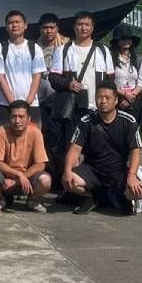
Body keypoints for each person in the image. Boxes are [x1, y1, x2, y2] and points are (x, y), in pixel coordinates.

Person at [48, 11, 113, 186]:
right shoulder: (64, 50)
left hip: (97, 108)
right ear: (74, 27)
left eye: (87, 24)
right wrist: (68, 84)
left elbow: (110, 81)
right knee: (71, 148)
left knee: (95, 148)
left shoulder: (103, 51)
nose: (83, 28)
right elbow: (53, 78)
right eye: (79, 24)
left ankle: (91, 186)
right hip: (73, 110)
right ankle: (69, 185)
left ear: (92, 28)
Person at [64, 84, 142, 215]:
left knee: (140, 191)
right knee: (68, 180)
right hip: (93, 170)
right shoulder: (86, 121)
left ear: (116, 101)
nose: (103, 101)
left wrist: (131, 177)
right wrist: (67, 171)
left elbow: (135, 152)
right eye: (99, 97)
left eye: (107, 98)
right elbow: (74, 150)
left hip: (118, 172)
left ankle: (121, 198)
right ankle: (92, 197)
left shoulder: (129, 122)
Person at [0, 10, 45, 146]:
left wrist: (28, 101)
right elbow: (0, 77)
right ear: (6, 27)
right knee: (7, 142)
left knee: (33, 141)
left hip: (31, 104)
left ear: (25, 25)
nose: (14, 25)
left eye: (18, 22)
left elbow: (37, 75)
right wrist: (13, 103)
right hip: (6, 105)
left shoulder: (34, 48)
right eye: (10, 23)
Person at [0, 100, 51, 213]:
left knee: (45, 180)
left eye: (21, 117)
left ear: (29, 118)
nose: (17, 121)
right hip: (6, 179)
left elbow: (41, 164)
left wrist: (19, 180)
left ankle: (32, 200)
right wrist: (18, 174)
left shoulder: (35, 132)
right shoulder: (2, 131)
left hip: (28, 180)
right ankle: (0, 199)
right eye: (13, 117)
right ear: (9, 118)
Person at [109, 24, 142, 133]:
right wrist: (124, 95)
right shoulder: (110, 58)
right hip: (116, 100)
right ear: (117, 41)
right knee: (116, 132)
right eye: (123, 38)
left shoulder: (138, 59)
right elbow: (109, 81)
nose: (126, 41)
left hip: (134, 101)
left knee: (134, 133)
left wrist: (131, 95)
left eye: (129, 38)